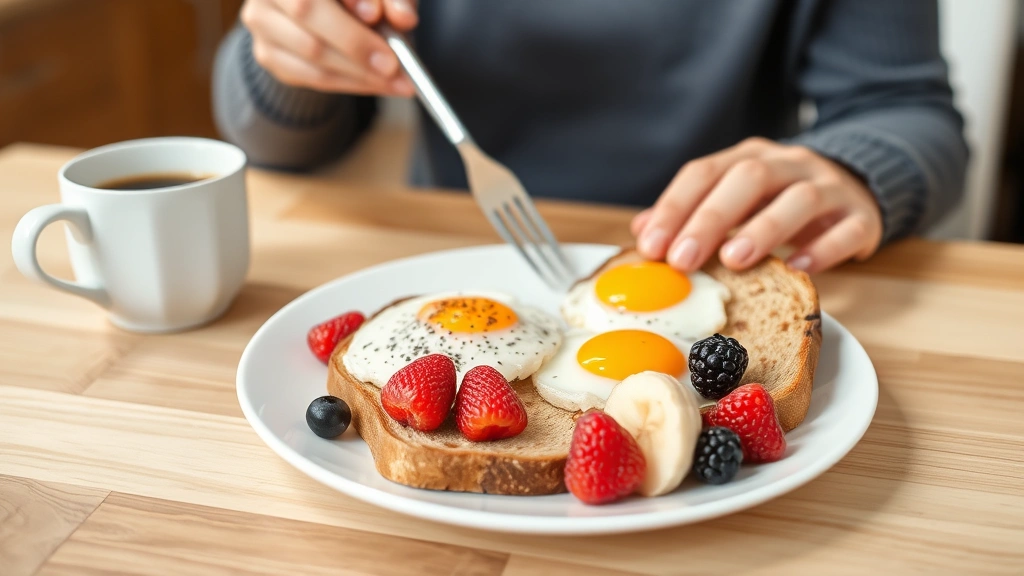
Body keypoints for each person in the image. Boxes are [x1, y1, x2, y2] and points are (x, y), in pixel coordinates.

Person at [213, 0, 968, 274]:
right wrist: (294, 56)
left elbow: (906, 105)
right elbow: (275, 147)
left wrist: (851, 168)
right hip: (448, 252)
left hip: (717, 260)